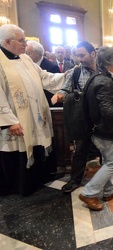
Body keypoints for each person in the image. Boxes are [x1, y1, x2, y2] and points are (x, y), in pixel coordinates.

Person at [0, 24, 65, 196]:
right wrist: (9, 121)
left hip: (34, 116)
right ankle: (19, 186)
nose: (25, 44)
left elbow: (44, 77)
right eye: (22, 40)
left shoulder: (25, 58)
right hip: (15, 120)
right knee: (19, 150)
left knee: (37, 146)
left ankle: (37, 180)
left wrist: (66, 76)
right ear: (7, 41)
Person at [78, 46, 113, 211]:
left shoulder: (99, 75)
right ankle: (89, 193)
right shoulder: (103, 81)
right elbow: (109, 112)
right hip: (107, 132)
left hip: (100, 129)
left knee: (108, 160)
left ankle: (109, 191)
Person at [52, 41, 102, 193]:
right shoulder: (76, 71)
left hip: (101, 118)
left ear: (93, 54)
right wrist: (60, 94)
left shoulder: (104, 71)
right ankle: (75, 180)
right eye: (77, 56)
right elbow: (65, 88)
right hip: (82, 117)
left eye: (82, 55)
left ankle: (105, 180)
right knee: (80, 150)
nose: (79, 59)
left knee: (105, 150)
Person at [25, 40, 61, 107]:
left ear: (37, 53)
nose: (25, 56)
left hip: (48, 104)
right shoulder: (27, 65)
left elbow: (55, 89)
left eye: (28, 53)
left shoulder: (52, 67)